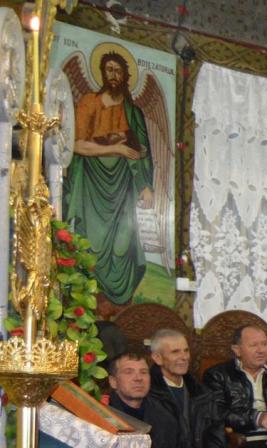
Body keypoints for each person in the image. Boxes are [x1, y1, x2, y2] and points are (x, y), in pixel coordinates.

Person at [65, 51, 154, 308]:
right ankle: (88, 300)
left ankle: (119, 305)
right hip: (91, 184)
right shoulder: (89, 102)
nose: (113, 75)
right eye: (109, 70)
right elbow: (77, 145)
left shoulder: (132, 112)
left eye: (118, 70)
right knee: (91, 241)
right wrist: (116, 147)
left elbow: (143, 152)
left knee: (123, 243)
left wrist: (145, 186)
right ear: (102, 73)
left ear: (125, 75)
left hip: (123, 185)